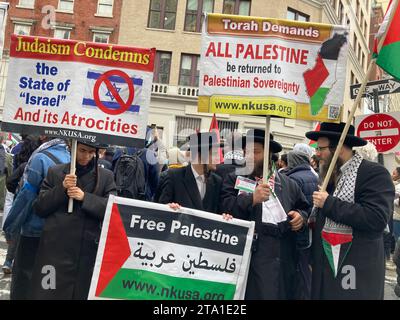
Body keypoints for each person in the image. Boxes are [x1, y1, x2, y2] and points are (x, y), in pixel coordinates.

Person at [308, 122, 395, 300]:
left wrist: (329, 203)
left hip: (356, 273)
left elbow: (377, 218)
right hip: (326, 272)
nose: (317, 154)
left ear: (339, 149)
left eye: (321, 148)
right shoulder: (329, 177)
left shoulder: (373, 174)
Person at [220, 129, 310, 299]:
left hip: (282, 257)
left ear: (269, 154)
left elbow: (304, 208)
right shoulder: (233, 179)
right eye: (247, 152)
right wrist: (251, 199)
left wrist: (300, 217)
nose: (249, 156)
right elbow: (225, 206)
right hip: (251, 257)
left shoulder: (289, 184)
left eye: (256, 152)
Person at [30, 141, 116, 300]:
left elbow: (112, 210)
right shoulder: (55, 172)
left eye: (91, 152)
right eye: (82, 150)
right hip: (54, 252)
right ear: (72, 148)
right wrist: (62, 188)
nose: (86, 156)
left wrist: (85, 198)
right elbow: (40, 207)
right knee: (48, 293)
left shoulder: (106, 177)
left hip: (87, 254)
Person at [3, 136, 70, 299]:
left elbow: (26, 196)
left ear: (44, 136)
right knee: (48, 279)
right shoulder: (72, 159)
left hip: (33, 228)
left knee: (24, 278)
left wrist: (10, 227)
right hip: (58, 231)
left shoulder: (40, 158)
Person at [158, 132, 223, 214]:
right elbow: (159, 210)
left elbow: (218, 211)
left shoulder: (217, 181)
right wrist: (169, 207)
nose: (219, 159)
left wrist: (225, 216)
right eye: (214, 154)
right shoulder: (174, 176)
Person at [285, 145, 319, 299]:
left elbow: (289, 207)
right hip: (311, 233)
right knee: (307, 272)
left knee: (299, 273)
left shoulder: (292, 179)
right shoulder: (316, 176)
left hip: (297, 233)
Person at [2, 135, 39, 275]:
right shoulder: (37, 164)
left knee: (17, 231)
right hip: (35, 206)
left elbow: (10, 181)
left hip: (21, 201)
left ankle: (8, 261)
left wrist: (16, 192)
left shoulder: (22, 163)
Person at [393, 167, 400, 242]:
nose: (392, 175)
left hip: (397, 217)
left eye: (394, 174)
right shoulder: (396, 186)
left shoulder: (398, 187)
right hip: (396, 216)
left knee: (397, 239)